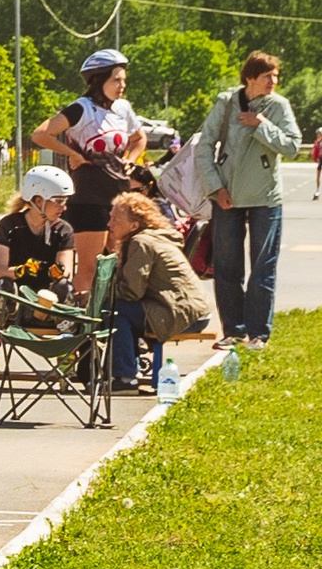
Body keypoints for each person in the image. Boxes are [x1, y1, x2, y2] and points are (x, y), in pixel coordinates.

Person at [194, 51, 301, 350]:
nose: (273, 81)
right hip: (227, 196)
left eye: (276, 76)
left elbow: (292, 146)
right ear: (249, 77)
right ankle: (234, 330)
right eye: (267, 76)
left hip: (266, 198)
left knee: (263, 266)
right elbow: (204, 147)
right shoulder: (226, 102)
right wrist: (216, 188)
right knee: (227, 266)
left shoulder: (279, 106)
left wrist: (261, 125)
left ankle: (258, 334)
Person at [32, 48, 144, 295]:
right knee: (90, 266)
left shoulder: (123, 108)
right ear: (99, 79)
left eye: (124, 80)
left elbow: (139, 138)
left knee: (119, 265)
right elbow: (41, 134)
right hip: (88, 198)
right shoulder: (82, 108)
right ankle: (80, 321)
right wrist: (71, 153)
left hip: (119, 197)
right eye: (116, 79)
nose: (122, 85)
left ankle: (108, 318)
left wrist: (131, 160)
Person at [105, 191, 213, 392]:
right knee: (120, 309)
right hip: (189, 309)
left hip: (183, 312)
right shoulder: (150, 238)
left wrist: (102, 295)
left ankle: (125, 378)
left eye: (115, 219)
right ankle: (126, 366)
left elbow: (131, 292)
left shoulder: (142, 243)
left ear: (134, 225)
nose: (109, 224)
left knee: (115, 311)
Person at [0, 167, 76, 323]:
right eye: (59, 201)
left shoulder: (63, 229)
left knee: (65, 286)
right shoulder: (9, 226)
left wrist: (55, 272)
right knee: (2, 285)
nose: (64, 207)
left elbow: (66, 271)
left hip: (49, 302)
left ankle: (70, 339)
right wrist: (23, 270)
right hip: (17, 300)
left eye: (65, 201)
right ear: (38, 201)